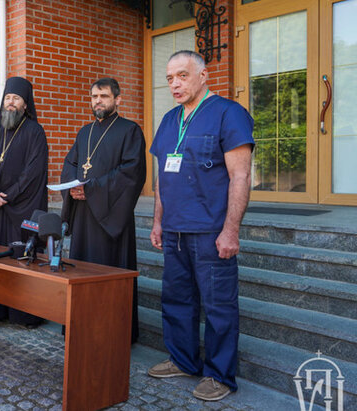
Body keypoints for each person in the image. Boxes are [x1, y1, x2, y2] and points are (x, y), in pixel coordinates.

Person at [147, 50, 254, 402]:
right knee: (177, 300)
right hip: (175, 230)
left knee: (219, 305)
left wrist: (231, 230)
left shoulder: (229, 113)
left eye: (182, 75)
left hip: (210, 230)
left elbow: (240, 176)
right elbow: (162, 178)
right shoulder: (167, 121)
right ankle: (183, 359)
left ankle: (220, 375)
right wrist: (158, 221)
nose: (175, 84)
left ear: (204, 75)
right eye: (169, 78)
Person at [60, 78, 146, 344]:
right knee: (81, 270)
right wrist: (72, 189)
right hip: (85, 215)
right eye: (94, 96)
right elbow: (71, 164)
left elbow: (132, 173)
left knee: (108, 273)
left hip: (112, 219)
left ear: (117, 99)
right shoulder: (84, 132)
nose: (98, 101)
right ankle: (81, 326)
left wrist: (93, 189)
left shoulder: (130, 131)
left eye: (104, 96)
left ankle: (112, 334)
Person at [0, 76, 48, 326]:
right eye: (8, 98)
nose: (11, 103)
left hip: (19, 208)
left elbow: (34, 172)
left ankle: (21, 314)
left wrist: (9, 195)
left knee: (19, 260)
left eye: (16, 98)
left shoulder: (35, 132)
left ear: (26, 104)